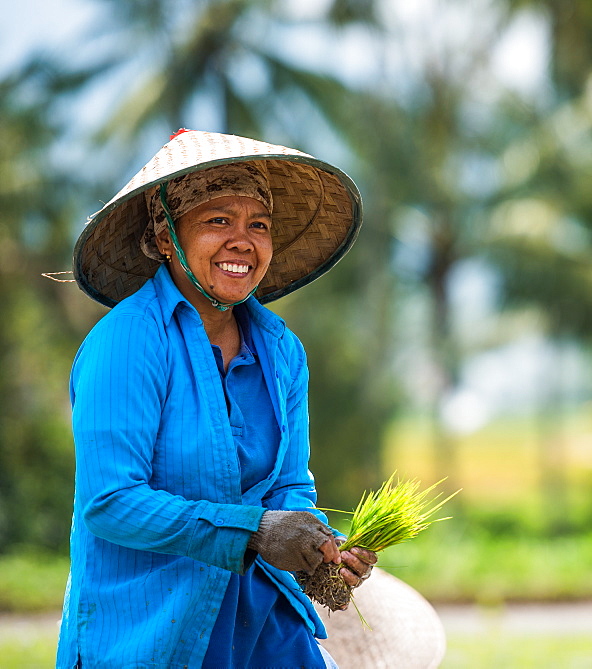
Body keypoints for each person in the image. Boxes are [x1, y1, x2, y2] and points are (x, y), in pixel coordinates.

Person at [58, 129, 376, 669]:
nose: (242, 241)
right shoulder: (129, 340)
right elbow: (110, 502)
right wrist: (255, 532)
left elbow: (290, 486)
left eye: (259, 225)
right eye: (217, 221)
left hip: (263, 626)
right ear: (165, 239)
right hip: (153, 633)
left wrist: (321, 548)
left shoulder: (280, 350)